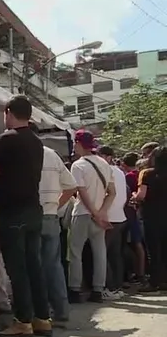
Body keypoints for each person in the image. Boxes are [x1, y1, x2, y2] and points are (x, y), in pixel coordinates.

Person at [0, 95, 50, 337]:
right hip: (34, 209)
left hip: (12, 212)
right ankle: (42, 318)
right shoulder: (36, 141)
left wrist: (0, 177)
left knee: (17, 268)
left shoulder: (5, 139)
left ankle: (22, 321)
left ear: (8, 112)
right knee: (34, 266)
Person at [67, 130, 115, 304]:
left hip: (82, 213)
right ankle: (98, 289)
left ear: (79, 144)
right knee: (100, 252)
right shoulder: (104, 163)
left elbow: (81, 192)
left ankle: (74, 289)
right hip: (100, 216)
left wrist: (94, 212)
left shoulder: (78, 165)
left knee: (75, 252)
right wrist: (102, 212)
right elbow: (112, 193)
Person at [38, 146, 77, 327]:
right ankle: (61, 310)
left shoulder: (19, 150)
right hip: (50, 216)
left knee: (31, 265)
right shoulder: (52, 154)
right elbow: (70, 186)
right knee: (53, 265)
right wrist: (56, 206)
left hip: (29, 216)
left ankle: (38, 312)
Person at [98, 146, 128, 299]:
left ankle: (109, 287)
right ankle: (117, 286)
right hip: (120, 217)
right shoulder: (119, 171)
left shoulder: (106, 171)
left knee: (104, 254)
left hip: (108, 217)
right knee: (115, 254)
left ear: (107, 157)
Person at [135, 147, 167, 292]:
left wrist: (134, 196)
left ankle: (155, 281)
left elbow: (141, 195)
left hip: (152, 215)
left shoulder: (147, 174)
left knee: (154, 249)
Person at [120, 153, 146, 282]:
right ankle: (141, 271)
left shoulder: (129, 177)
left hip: (130, 212)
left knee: (131, 243)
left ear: (124, 164)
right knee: (139, 243)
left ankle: (135, 272)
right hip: (140, 212)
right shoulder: (140, 175)